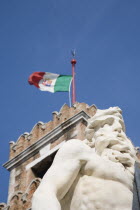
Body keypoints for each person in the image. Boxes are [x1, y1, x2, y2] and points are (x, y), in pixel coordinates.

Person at [32, 107, 138, 210]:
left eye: (119, 129)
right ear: (93, 134)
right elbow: (45, 193)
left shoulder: (133, 177)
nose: (116, 130)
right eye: (107, 124)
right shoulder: (78, 150)